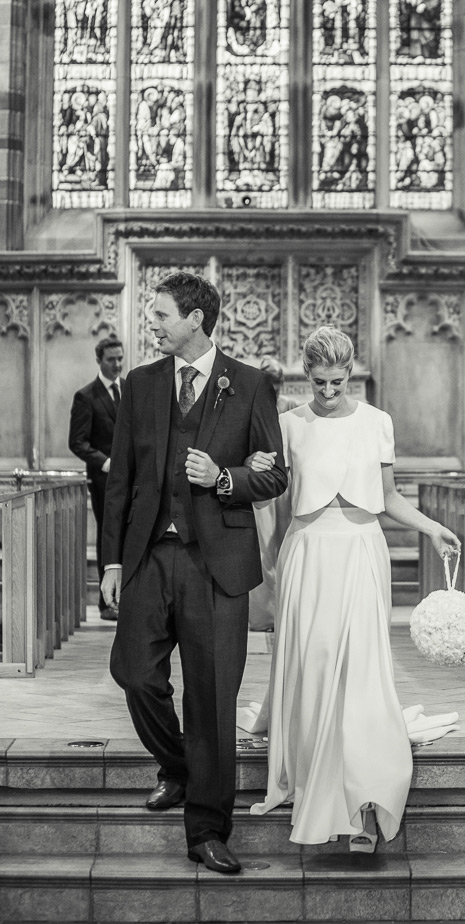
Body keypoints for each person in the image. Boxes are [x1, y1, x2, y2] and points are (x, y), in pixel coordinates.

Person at [100, 272, 287, 875]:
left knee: (211, 698)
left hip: (218, 564)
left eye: (159, 315)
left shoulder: (251, 384)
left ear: (196, 320)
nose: (150, 323)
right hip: (151, 556)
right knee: (133, 672)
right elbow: (120, 482)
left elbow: (275, 475)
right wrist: (111, 561)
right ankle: (180, 767)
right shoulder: (140, 383)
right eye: (152, 315)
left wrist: (225, 479)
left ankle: (207, 828)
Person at [246, 326, 460, 850]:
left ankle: (361, 796)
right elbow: (270, 499)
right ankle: (312, 772)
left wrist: (431, 527)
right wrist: (269, 561)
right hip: (308, 553)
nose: (327, 391)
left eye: (337, 382)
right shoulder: (288, 424)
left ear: (350, 374)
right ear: (307, 372)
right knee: (314, 661)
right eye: (319, 382)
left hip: (362, 549)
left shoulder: (377, 422)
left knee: (362, 670)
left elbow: (388, 497)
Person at [69, 335, 124, 621]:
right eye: (111, 359)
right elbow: (77, 442)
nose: (117, 364)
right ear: (99, 360)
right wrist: (106, 463)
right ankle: (107, 604)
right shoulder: (86, 396)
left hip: (134, 479)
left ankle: (129, 599)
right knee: (109, 535)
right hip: (104, 481)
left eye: (120, 358)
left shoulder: (130, 390)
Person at [248, 357, 297, 631]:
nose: (274, 387)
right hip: (261, 482)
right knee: (263, 549)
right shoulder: (250, 404)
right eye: (269, 381)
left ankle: (287, 613)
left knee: (286, 545)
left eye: (278, 381)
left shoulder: (289, 406)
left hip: (286, 484)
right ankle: (263, 615)